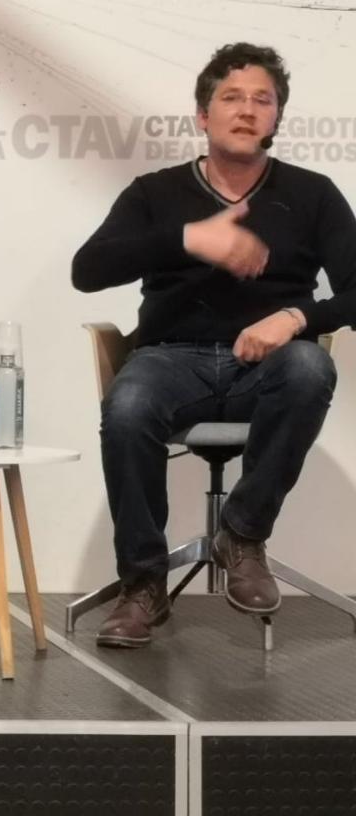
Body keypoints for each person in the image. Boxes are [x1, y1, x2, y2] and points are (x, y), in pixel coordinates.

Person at [72, 42, 356, 648]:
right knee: (128, 407)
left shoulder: (313, 195)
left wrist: (297, 316)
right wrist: (187, 239)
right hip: (172, 358)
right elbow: (88, 270)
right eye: (231, 97)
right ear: (203, 116)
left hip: (270, 367)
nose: (247, 109)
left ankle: (243, 534)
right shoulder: (156, 193)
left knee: (309, 369)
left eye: (263, 100)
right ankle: (143, 585)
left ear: (277, 118)